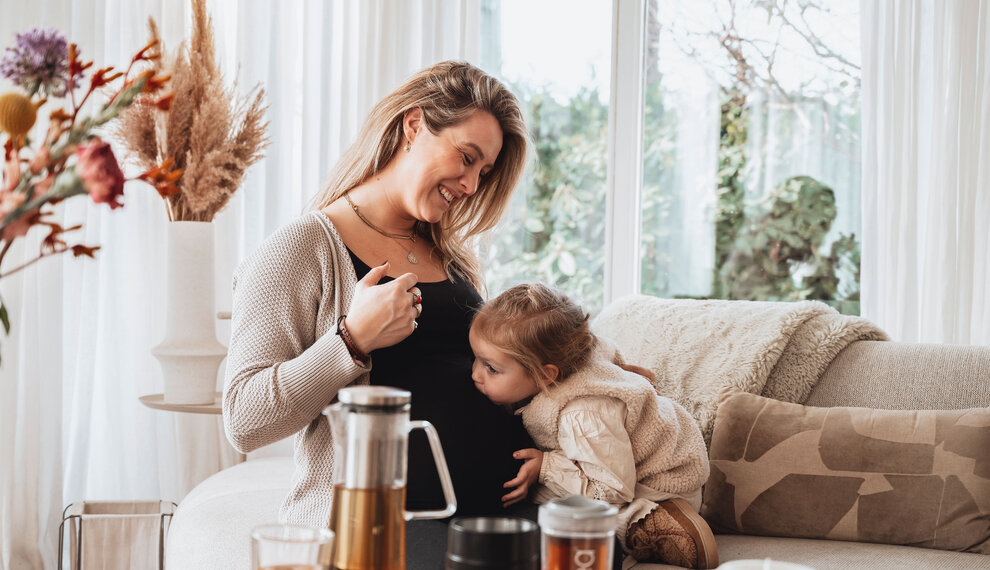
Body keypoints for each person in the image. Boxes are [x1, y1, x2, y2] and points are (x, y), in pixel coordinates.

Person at [221, 61, 533, 558]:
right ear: (414, 126)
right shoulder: (300, 249)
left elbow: (490, 380)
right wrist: (350, 340)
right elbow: (245, 417)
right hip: (385, 534)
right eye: (467, 157)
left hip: (501, 524)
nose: (472, 185)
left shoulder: (453, 258)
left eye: (484, 171)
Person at [469, 283, 720, 569]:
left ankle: (653, 525)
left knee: (562, 510)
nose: (475, 374)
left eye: (491, 368)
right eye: (475, 358)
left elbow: (610, 491)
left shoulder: (583, 414)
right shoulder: (574, 352)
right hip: (622, 465)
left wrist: (547, 467)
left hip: (660, 485)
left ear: (545, 374)